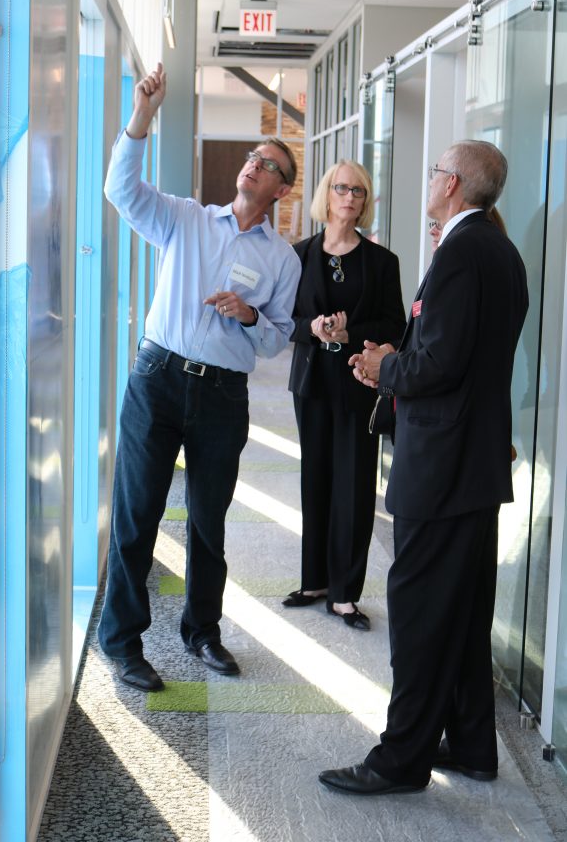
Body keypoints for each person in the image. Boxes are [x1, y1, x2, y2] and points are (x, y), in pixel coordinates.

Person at [320, 140, 528, 795]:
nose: (430, 176)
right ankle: (468, 744)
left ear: (455, 187)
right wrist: (397, 356)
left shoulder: (465, 252)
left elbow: (440, 367)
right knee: (460, 612)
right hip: (468, 460)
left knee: (415, 612)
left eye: (437, 169)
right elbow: (455, 353)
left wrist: (387, 367)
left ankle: (399, 760)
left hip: (442, 465)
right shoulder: (495, 250)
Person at [97, 62, 302, 692]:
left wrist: (248, 316)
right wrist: (142, 118)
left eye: (267, 164)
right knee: (137, 516)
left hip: (221, 396)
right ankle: (124, 643)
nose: (252, 166)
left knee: (208, 523)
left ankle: (201, 633)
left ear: (281, 190)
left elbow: (277, 337)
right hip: (157, 380)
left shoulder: (280, 259)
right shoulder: (185, 219)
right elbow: (121, 192)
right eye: (251, 157)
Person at [283, 163, 405, 630]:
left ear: (364, 200)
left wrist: (352, 332)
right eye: (341, 188)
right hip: (312, 383)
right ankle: (314, 580)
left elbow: (395, 324)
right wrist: (311, 328)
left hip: (359, 384)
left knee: (353, 485)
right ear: (326, 196)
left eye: (359, 190)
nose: (350, 196)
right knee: (315, 478)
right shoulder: (298, 256)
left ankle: (344, 593)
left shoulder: (382, 262)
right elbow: (284, 319)